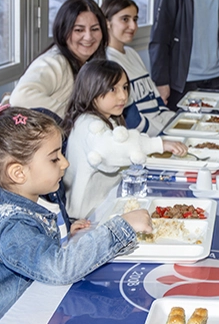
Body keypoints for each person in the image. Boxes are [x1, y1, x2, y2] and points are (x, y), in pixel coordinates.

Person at [0, 103, 153, 324]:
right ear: (18, 173)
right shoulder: (13, 223)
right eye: (54, 158)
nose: (65, 163)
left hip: (26, 313)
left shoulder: (19, 205)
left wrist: (66, 232)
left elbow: (33, 252)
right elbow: (57, 268)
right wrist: (123, 226)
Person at [62, 60, 186, 220]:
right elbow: (116, 150)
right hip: (87, 218)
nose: (123, 96)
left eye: (125, 87)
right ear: (91, 90)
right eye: (113, 89)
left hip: (104, 207)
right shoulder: (89, 125)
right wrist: (159, 144)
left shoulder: (106, 119)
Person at [10, 0, 107, 118]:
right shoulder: (53, 62)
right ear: (63, 30)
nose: (88, 37)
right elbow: (20, 97)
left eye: (95, 29)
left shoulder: (89, 64)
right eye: (79, 30)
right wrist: (75, 117)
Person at [101, 0, 173, 134]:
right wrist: (164, 136)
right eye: (125, 19)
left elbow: (157, 102)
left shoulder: (131, 53)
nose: (133, 26)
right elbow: (131, 120)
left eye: (135, 19)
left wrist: (176, 121)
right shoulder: (108, 62)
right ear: (107, 22)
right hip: (146, 137)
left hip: (161, 128)